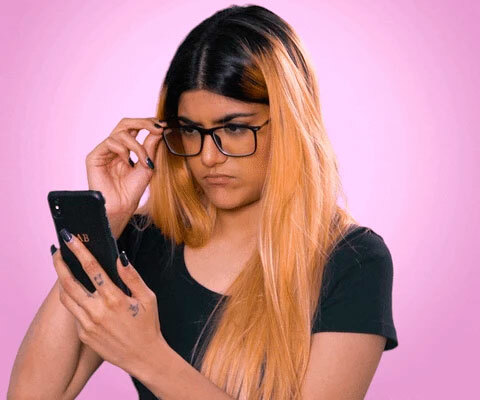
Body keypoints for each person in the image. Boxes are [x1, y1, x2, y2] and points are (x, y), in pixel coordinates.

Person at [8, 4, 398, 400]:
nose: (208, 157)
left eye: (235, 128)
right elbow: (31, 395)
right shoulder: (143, 242)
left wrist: (148, 357)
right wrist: (108, 221)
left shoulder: (353, 261)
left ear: (291, 124)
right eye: (191, 130)